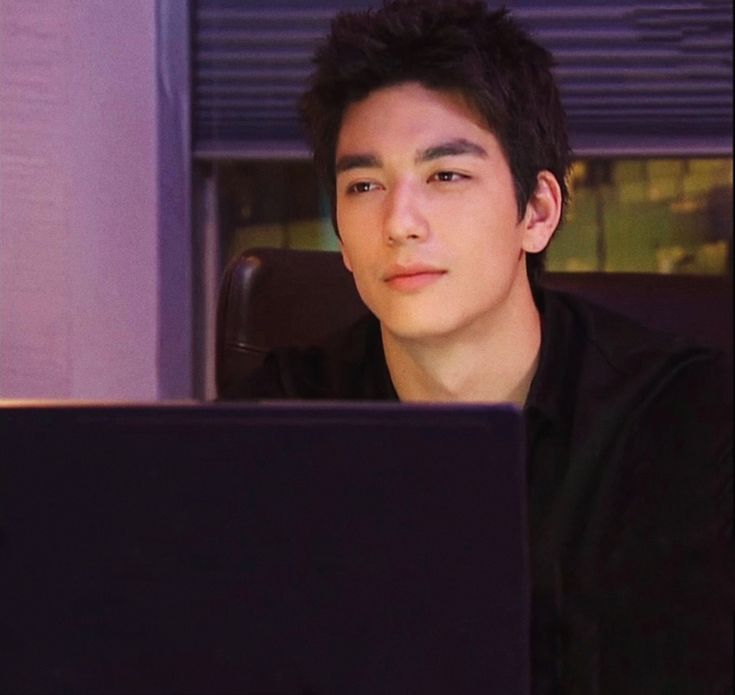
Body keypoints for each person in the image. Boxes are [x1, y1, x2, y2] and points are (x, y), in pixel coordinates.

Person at [231, 1, 733, 692]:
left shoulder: (687, 418)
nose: (399, 222)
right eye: (364, 185)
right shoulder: (282, 414)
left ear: (537, 212)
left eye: (445, 175)